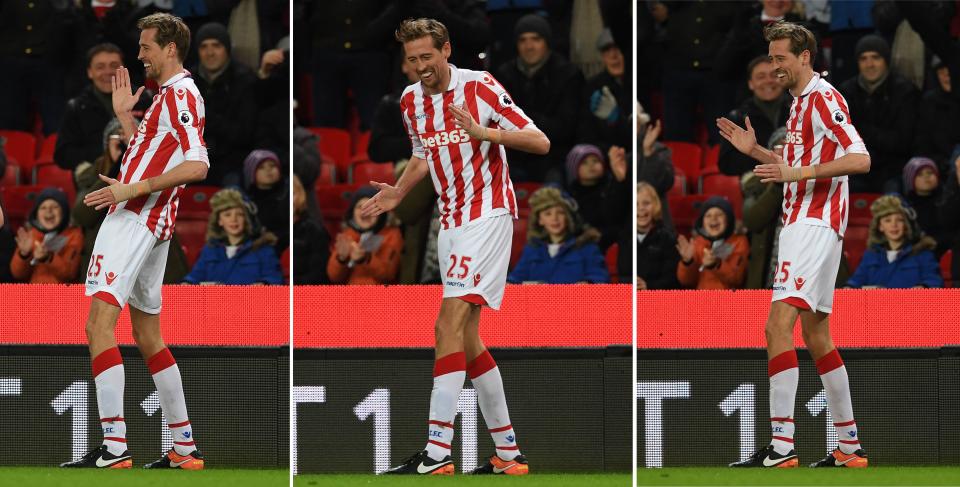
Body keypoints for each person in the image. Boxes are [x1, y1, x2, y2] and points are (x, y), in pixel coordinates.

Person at [361, 18, 549, 476]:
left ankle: (438, 452)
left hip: (488, 214)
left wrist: (488, 135)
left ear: (446, 50)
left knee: (446, 325)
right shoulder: (410, 101)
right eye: (412, 59)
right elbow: (425, 155)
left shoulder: (480, 86)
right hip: (451, 221)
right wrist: (398, 193)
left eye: (428, 56)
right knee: (466, 337)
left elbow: (539, 142)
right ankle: (508, 454)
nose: (421, 66)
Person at [718, 21, 872, 468]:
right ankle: (849, 446)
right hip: (811, 222)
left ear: (805, 56)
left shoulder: (823, 98)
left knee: (776, 327)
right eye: (770, 57)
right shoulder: (800, 103)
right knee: (817, 333)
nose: (774, 65)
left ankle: (781, 446)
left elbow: (860, 158)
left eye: (781, 57)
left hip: (813, 222)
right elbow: (805, 162)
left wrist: (796, 174)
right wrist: (759, 154)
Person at [62, 13, 208, 470]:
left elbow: (197, 165)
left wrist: (130, 190)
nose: (139, 53)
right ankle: (184, 448)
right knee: (147, 333)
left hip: (135, 218)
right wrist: (125, 118)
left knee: (98, 326)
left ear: (169, 48)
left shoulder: (181, 92)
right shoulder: (166, 96)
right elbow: (152, 156)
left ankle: (114, 446)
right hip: (151, 219)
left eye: (146, 46)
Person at [494, 14, 582, 182]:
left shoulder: (568, 75)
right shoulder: (504, 75)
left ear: (547, 42)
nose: (529, 46)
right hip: (513, 157)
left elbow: (566, 127)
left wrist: (523, 119)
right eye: (523, 40)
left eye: (536, 39)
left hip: (554, 156)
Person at [838, 34, 919, 193]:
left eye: (875, 57)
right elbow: (841, 139)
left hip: (893, 171)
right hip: (856, 171)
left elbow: (902, 142)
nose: (870, 64)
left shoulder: (905, 92)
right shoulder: (846, 91)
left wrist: (863, 131)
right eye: (863, 58)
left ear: (886, 61)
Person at [55, 43, 151, 171]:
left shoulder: (145, 99)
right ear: (90, 72)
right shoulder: (76, 107)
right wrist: (106, 151)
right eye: (100, 67)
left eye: (114, 66)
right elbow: (63, 156)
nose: (108, 72)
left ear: (124, 68)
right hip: (96, 183)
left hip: (143, 176)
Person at [191, 22, 258, 186]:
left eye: (216, 46)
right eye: (203, 47)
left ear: (227, 49)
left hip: (233, 163)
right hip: (192, 162)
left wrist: (206, 116)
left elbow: (245, 134)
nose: (210, 53)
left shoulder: (245, 81)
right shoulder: (186, 81)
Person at [507, 187, 609, 284]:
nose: (554, 218)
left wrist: (588, 284)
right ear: (540, 220)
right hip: (537, 302)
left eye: (560, 213)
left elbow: (600, 278)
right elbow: (516, 278)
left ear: (568, 217)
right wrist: (509, 284)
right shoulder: (532, 250)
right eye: (548, 214)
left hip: (575, 301)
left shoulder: (587, 248)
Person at [182, 188, 283, 285]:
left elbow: (275, 279)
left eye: (239, 214)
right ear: (219, 220)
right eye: (227, 214)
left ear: (247, 219)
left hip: (250, 301)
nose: (233, 219)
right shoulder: (209, 250)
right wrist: (187, 283)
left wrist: (264, 284)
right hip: (214, 302)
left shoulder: (263, 250)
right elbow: (194, 277)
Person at [845, 194, 943, 289]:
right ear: (880, 226)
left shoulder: (923, 254)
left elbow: (934, 280)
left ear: (906, 225)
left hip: (911, 305)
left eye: (899, 220)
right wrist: (849, 287)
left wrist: (924, 287)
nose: (894, 225)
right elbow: (857, 279)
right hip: (876, 305)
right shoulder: (871, 255)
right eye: (887, 220)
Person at [718, 56, 792, 177]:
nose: (768, 81)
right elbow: (726, 165)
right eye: (761, 77)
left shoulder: (802, 110)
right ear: (751, 84)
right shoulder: (738, 117)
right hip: (758, 186)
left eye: (774, 75)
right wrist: (763, 154)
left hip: (800, 183)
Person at [327, 187, 403, 285]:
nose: (365, 212)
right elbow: (334, 277)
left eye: (371, 207)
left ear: (381, 212)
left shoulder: (392, 235)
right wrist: (341, 259)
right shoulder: (348, 235)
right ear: (352, 212)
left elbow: (389, 273)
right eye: (359, 207)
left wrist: (365, 258)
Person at [10, 188, 84, 284]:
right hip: (36, 296)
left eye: (55, 207)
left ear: (64, 213)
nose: (48, 211)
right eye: (43, 208)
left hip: (64, 296)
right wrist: (24, 254)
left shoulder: (75, 235)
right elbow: (18, 274)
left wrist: (48, 257)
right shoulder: (31, 235)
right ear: (36, 215)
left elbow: (70, 273)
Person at [675, 196, 749, 290]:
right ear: (702, 222)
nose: (713, 219)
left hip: (730, 302)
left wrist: (716, 264)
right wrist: (687, 262)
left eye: (719, 214)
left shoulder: (739, 241)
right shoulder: (698, 242)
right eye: (708, 215)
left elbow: (737, 278)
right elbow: (687, 281)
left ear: (728, 219)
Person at [243, 149, 289, 254]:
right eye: (261, 167)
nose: (268, 170)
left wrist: (277, 236)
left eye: (272, 166)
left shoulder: (289, 195)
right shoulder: (245, 201)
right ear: (251, 173)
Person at [636, 182, 679, 290]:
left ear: (656, 205)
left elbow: (673, 280)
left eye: (646, 203)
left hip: (658, 300)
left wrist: (648, 287)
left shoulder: (668, 239)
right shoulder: (624, 238)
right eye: (635, 204)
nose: (641, 208)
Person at [292, 174, 330, 284]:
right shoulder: (268, 232)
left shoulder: (314, 230)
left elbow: (318, 275)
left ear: (300, 196)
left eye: (292, 194)